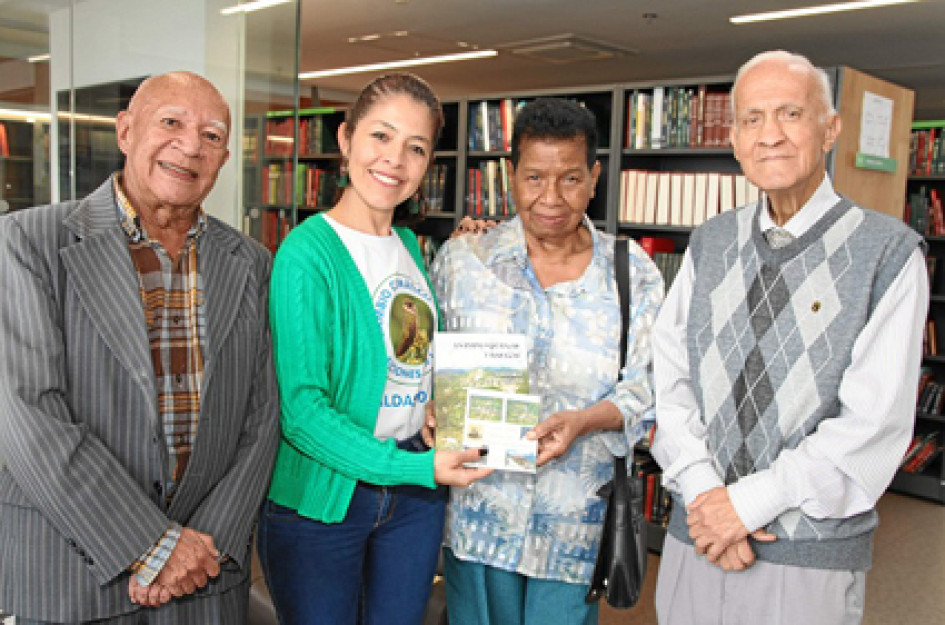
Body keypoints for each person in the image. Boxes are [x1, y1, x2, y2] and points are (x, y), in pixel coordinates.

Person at [651, 50, 928, 624]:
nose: (769, 134)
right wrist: (709, 499)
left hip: (808, 556)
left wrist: (745, 505)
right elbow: (670, 382)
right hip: (697, 535)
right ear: (733, 139)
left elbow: (872, 426)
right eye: (752, 119)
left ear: (831, 130)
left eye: (790, 114)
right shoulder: (708, 243)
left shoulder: (887, 253)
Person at [0, 71, 280, 623]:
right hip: (72, 574)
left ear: (224, 159)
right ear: (126, 131)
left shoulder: (252, 262)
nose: (190, 146)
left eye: (213, 135)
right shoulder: (26, 241)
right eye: (170, 122)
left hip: (206, 578)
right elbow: (28, 415)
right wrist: (150, 545)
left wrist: (203, 549)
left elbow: (262, 417)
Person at [256, 72, 492, 625]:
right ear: (346, 140)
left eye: (415, 147)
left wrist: (430, 406)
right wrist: (418, 469)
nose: (395, 160)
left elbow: (409, 365)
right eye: (381, 137)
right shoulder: (306, 254)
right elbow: (303, 416)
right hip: (329, 501)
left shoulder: (412, 247)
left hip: (413, 494)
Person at [431, 97, 664, 625]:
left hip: (573, 527)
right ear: (510, 175)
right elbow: (426, 361)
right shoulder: (464, 261)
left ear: (595, 176)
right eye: (534, 178)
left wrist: (584, 421)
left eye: (571, 178)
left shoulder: (632, 274)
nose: (551, 198)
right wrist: (430, 401)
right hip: (478, 516)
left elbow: (646, 388)